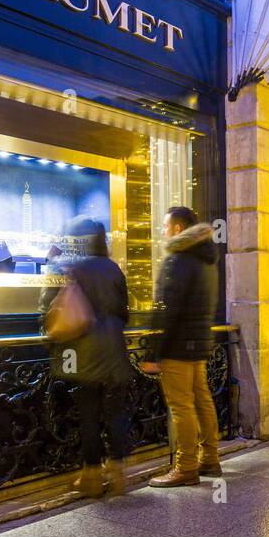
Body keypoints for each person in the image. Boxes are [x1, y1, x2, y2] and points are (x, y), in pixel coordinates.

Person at [41, 217, 133, 498]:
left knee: (89, 415)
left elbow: (48, 310)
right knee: (116, 411)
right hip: (115, 352)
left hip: (81, 354)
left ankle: (91, 476)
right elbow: (124, 312)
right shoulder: (113, 269)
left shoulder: (65, 267)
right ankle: (117, 471)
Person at [141, 206, 220, 487]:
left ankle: (186, 466)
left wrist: (154, 351)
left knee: (181, 406)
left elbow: (166, 310)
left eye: (165, 225)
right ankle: (209, 457)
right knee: (201, 399)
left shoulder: (178, 260)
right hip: (198, 343)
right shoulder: (206, 259)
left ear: (177, 229)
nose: (163, 231)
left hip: (178, 346)